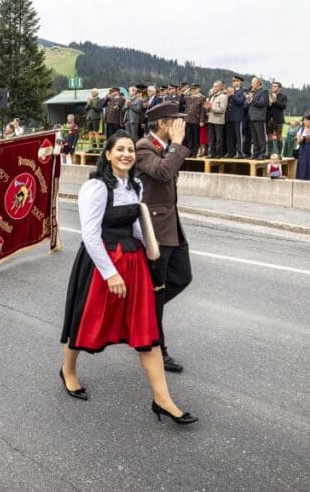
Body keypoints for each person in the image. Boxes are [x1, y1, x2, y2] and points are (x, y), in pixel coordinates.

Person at [60, 131, 197, 425]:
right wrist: (110, 273)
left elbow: (136, 223)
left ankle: (163, 400)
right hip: (102, 263)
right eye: (120, 149)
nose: (126, 154)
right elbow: (90, 235)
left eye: (130, 150)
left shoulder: (134, 184)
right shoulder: (95, 187)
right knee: (84, 321)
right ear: (108, 154)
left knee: (146, 330)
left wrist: (149, 249)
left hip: (133, 262)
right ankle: (68, 371)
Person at [134, 103, 193, 374]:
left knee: (182, 277)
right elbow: (163, 172)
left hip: (172, 227)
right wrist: (177, 145)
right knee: (156, 294)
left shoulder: (164, 146)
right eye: (175, 122)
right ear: (161, 124)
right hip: (156, 231)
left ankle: (141, 310)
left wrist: (174, 147)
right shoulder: (143, 147)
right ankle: (157, 347)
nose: (180, 127)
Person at [225, 76, 248, 158]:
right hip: (229, 117)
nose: (233, 82)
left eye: (235, 81)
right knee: (229, 136)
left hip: (238, 116)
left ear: (240, 82)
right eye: (232, 81)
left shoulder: (244, 91)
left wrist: (231, 95)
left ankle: (240, 152)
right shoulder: (232, 91)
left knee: (239, 136)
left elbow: (240, 101)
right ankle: (230, 152)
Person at [246, 77, 269, 159]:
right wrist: (249, 100)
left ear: (258, 83)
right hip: (251, 117)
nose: (252, 84)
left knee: (261, 137)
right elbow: (251, 104)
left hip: (259, 118)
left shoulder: (264, 92)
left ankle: (262, 154)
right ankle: (255, 153)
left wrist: (251, 100)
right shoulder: (254, 92)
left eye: (253, 82)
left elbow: (263, 103)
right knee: (254, 137)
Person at [206, 81, 228, 158]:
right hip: (211, 119)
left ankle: (218, 154)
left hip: (218, 120)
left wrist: (211, 107)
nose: (214, 88)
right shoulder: (212, 96)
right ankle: (211, 153)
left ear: (220, 87)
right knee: (211, 138)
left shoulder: (223, 97)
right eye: (213, 86)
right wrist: (207, 108)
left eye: (215, 86)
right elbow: (210, 108)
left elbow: (222, 110)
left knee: (219, 139)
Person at [182, 83, 205, 157]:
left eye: (195, 89)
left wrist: (201, 120)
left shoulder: (202, 97)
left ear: (199, 89)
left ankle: (194, 152)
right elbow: (182, 99)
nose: (193, 90)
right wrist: (186, 91)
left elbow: (202, 110)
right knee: (189, 137)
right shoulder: (189, 97)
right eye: (192, 89)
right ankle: (189, 151)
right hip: (187, 119)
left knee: (196, 137)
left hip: (196, 120)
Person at [266, 82, 287, 157]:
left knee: (279, 136)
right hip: (269, 118)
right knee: (269, 136)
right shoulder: (269, 96)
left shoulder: (283, 96)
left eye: (275, 86)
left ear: (279, 88)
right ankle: (269, 153)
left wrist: (275, 101)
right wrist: (269, 102)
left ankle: (279, 154)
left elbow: (283, 106)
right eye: (272, 86)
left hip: (278, 119)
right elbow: (266, 106)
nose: (273, 87)